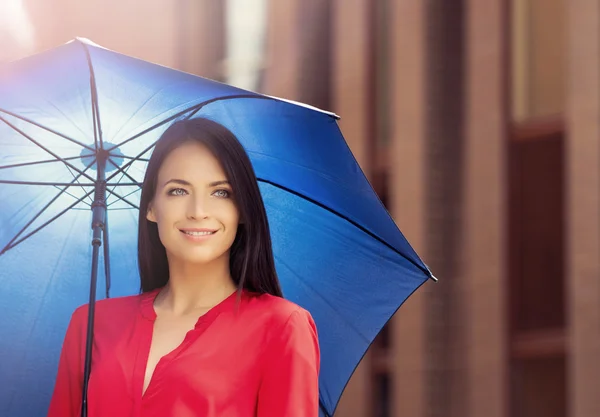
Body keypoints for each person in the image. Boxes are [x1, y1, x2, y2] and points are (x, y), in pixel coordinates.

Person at [47, 118, 320, 417]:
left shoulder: (282, 326)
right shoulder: (90, 324)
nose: (198, 212)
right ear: (151, 207)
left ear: (242, 209)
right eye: (178, 191)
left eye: (221, 192)